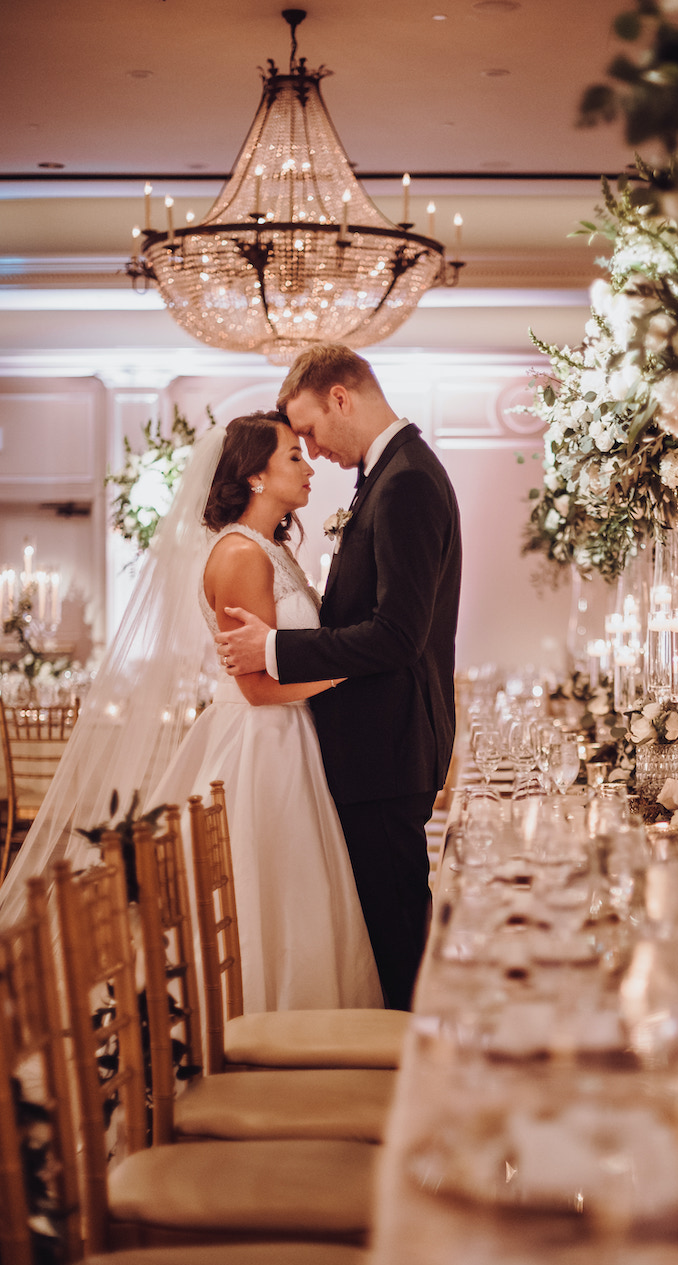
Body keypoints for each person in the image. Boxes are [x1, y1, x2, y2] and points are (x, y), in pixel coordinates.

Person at [217, 347, 462, 1012]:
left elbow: (398, 635)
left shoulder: (405, 480)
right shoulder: (389, 475)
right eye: (296, 447)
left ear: (341, 399)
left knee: (398, 934)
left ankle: (408, 1083)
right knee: (385, 930)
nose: (313, 451)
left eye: (312, 432)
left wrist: (274, 648)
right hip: (369, 753)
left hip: (385, 752)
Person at [150, 412, 381, 1013]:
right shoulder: (238, 555)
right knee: (269, 888)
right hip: (259, 742)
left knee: (301, 888)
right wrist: (357, 668)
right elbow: (256, 687)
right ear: (255, 475)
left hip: (291, 735)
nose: (309, 468)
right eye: (294, 458)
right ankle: (255, 1017)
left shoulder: (273, 548)